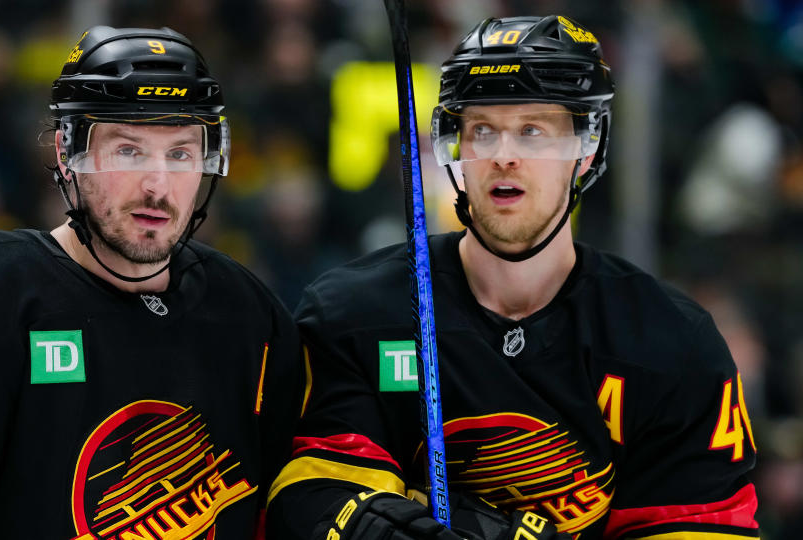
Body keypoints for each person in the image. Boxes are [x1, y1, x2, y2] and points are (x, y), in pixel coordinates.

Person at [266, 15, 760, 540]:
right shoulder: (356, 314)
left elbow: (702, 527)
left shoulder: (673, 344)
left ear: (586, 148)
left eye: (532, 131)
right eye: (482, 130)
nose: (503, 156)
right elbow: (309, 498)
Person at [0, 26, 303, 539]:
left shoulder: (248, 312)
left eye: (180, 154)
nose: (158, 185)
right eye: (128, 150)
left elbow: (285, 509)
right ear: (68, 154)